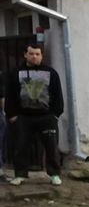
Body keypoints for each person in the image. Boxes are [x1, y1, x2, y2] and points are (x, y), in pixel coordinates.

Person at [5, 42, 64, 186]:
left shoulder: (51, 73)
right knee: (20, 146)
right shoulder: (16, 72)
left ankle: (54, 174)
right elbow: (10, 94)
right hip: (23, 117)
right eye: (31, 54)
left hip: (46, 116)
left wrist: (55, 114)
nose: (34, 57)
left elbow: (58, 95)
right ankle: (20, 175)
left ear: (41, 55)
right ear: (25, 54)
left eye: (37, 54)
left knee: (51, 147)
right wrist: (12, 115)